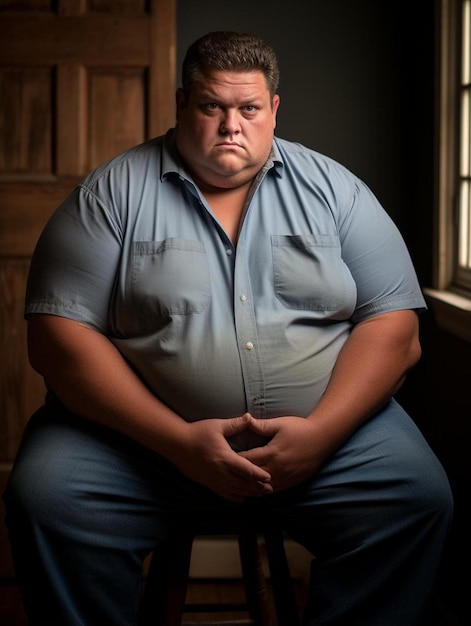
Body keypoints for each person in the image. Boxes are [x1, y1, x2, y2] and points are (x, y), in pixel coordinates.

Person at [3, 31, 452, 625]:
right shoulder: (109, 195)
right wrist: (175, 442)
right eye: (213, 107)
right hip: (137, 447)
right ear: (183, 103)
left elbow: (396, 325)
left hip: (330, 438)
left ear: (274, 109)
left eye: (248, 109)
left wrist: (321, 433)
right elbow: (57, 339)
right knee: (48, 500)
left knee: (415, 500)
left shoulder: (337, 192)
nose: (230, 126)